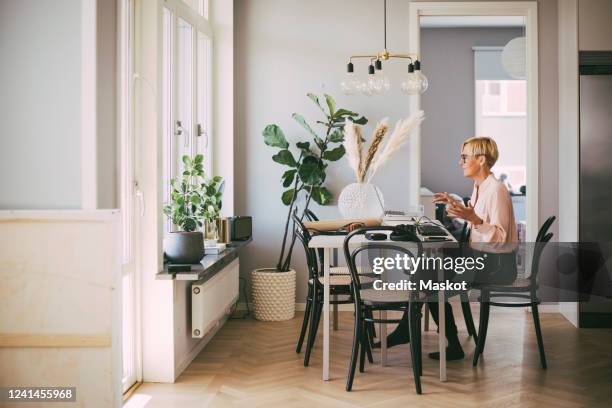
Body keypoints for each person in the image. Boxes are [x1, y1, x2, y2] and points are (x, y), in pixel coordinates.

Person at [380, 136, 518, 361]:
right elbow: (477, 221)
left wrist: (474, 219)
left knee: (429, 276)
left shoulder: (496, 190)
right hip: (480, 257)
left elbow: (501, 239)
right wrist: (458, 208)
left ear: (481, 159)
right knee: (426, 267)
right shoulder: (480, 187)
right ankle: (426, 335)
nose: (460, 161)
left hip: (497, 266)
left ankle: (411, 330)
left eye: (464, 157)